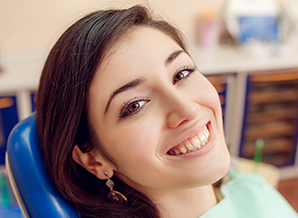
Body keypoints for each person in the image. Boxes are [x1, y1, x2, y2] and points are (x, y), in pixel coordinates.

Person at [36, 5, 298, 218]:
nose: (187, 108)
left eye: (182, 74)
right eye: (134, 105)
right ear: (93, 160)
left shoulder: (249, 187)